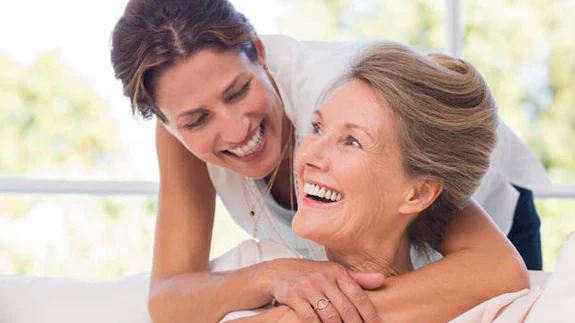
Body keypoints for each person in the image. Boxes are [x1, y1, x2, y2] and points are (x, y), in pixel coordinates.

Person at [110, 0, 540, 322]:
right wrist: (272, 275)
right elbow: (169, 296)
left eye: (238, 91)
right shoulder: (179, 129)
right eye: (197, 120)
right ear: (168, 122)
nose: (235, 129)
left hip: (491, 217)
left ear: (259, 51)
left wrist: (297, 318)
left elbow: (496, 269)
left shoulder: (341, 99)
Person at [219, 40, 528, 323]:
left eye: (352, 142)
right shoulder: (251, 269)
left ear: (418, 193)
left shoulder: (490, 311)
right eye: (316, 127)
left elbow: (505, 270)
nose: (310, 153)